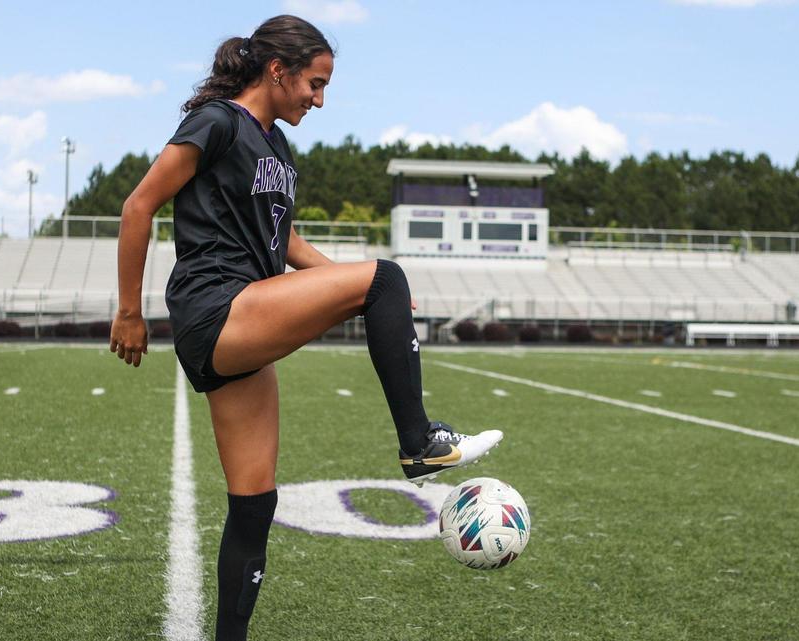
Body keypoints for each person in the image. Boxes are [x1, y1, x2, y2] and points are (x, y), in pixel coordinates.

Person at [109, 15, 503, 641]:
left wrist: (366, 291)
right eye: (314, 84)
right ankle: (419, 441)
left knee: (254, 504)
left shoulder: (278, 148)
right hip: (218, 306)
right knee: (385, 278)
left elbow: (285, 241)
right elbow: (138, 205)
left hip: (246, 315)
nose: (318, 100)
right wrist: (129, 312)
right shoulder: (217, 123)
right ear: (277, 70)